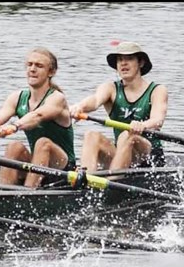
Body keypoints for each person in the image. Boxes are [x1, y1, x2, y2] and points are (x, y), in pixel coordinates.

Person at [68, 41, 167, 170]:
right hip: (122, 152)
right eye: (120, 60)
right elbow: (95, 100)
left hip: (149, 156)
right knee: (91, 135)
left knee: (127, 135)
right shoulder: (110, 88)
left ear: (141, 63)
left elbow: (157, 120)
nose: (123, 63)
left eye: (129, 59)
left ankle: (109, 182)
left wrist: (142, 125)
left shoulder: (157, 90)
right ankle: (87, 180)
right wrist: (79, 106)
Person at [0, 48, 76, 187]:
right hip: (38, 164)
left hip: (63, 169)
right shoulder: (16, 98)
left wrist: (14, 126)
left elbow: (37, 116)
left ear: (51, 72)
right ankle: (3, 194)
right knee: (14, 146)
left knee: (43, 143)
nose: (32, 69)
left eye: (39, 66)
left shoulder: (57, 98)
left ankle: (28, 194)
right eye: (29, 64)